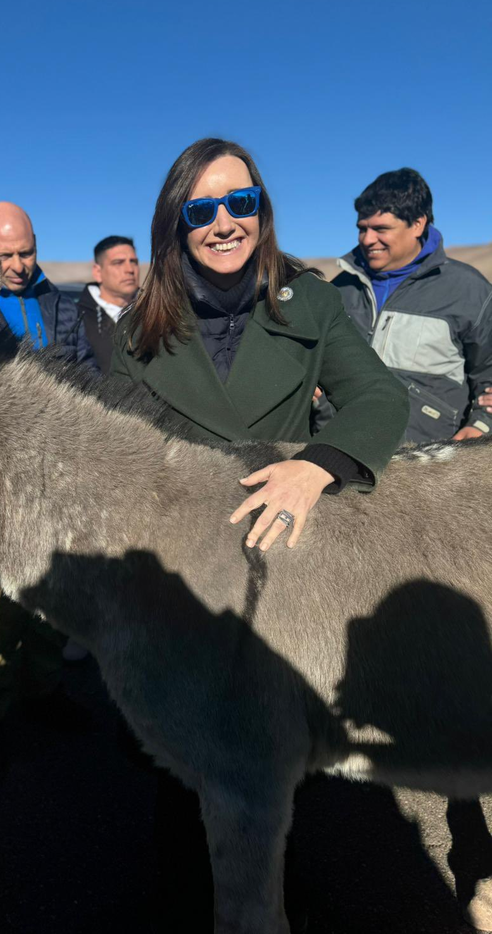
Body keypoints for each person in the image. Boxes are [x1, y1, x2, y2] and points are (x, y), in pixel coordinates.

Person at [109, 138, 409, 930]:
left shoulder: (307, 303)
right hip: (177, 580)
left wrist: (318, 464)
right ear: (176, 224)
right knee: (179, 782)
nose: (223, 223)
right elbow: (115, 453)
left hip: (280, 567)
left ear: (262, 210)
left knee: (276, 773)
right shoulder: (138, 327)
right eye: (201, 209)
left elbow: (379, 399)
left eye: (240, 203)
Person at [0, 202, 95, 782]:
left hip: (56, 482)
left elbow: (87, 375)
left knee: (51, 602)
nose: (17, 264)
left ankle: (42, 692)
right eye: (5, 254)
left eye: (26, 251)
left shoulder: (61, 306)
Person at [328, 167, 492, 443]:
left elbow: (487, 371)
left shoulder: (469, 290)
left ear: (417, 223)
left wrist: (482, 424)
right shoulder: (338, 289)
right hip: (337, 448)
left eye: (381, 229)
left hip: (428, 463)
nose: (367, 240)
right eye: (362, 229)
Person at [77, 236, 140, 373]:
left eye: (134, 262)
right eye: (118, 263)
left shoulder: (156, 312)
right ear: (98, 272)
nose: (129, 269)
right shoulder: (75, 319)